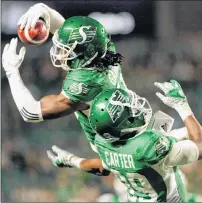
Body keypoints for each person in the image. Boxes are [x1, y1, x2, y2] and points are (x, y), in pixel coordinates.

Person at [47, 80, 202, 202]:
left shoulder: (105, 144)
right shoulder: (149, 147)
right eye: (130, 108)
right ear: (124, 123)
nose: (135, 107)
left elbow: (101, 167)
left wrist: (71, 160)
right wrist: (183, 107)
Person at [2, 3, 126, 151]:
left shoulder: (86, 83)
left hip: (114, 151)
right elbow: (66, 31)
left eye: (65, 49)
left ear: (82, 55)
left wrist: (11, 71)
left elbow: (31, 112)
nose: (60, 52)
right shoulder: (103, 49)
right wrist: (44, 11)